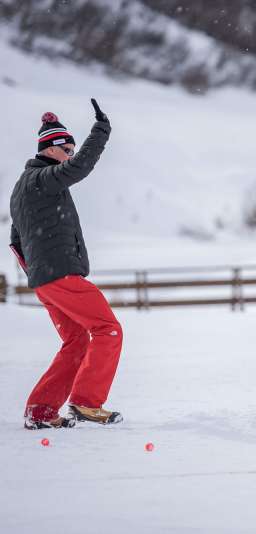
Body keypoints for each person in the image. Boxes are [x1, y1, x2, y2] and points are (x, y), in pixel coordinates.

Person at [9, 99, 123, 429]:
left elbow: (16, 238)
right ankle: (86, 403)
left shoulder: (22, 188)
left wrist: (36, 275)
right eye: (67, 149)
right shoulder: (41, 178)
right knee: (108, 329)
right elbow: (80, 168)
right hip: (58, 275)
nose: (71, 155)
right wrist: (101, 131)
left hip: (45, 279)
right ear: (51, 148)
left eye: (73, 149)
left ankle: (40, 411)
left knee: (76, 341)